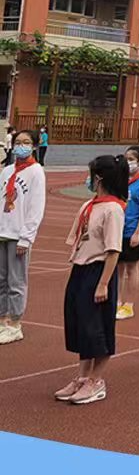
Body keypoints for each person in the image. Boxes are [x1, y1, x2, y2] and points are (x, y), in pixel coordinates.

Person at [56, 154, 127, 405]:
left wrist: (103, 283)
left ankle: (96, 381)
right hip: (81, 268)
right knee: (78, 323)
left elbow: (113, 250)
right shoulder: (89, 205)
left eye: (90, 175)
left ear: (99, 178)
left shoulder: (113, 209)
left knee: (96, 327)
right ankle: (83, 377)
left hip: (98, 270)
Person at [0, 129, 46, 345]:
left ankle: (15, 324)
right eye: (18, 142)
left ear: (34, 146)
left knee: (16, 281)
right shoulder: (7, 170)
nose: (21, 146)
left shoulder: (36, 172)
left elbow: (36, 207)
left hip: (18, 234)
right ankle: (2, 320)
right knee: (1, 280)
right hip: (2, 231)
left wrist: (26, 237)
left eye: (26, 142)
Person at [117, 145, 139, 320]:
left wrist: (137, 232)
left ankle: (129, 305)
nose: (127, 162)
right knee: (117, 268)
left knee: (131, 268)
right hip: (118, 230)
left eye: (131, 159)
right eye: (126, 159)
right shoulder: (121, 179)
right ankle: (116, 302)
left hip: (132, 231)